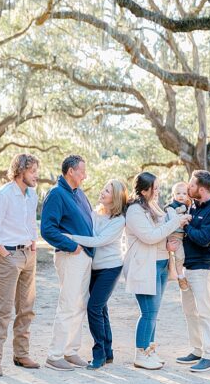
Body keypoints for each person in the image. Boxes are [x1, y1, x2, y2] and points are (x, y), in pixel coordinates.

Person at [124, 172, 191, 369]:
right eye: (156, 188)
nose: (159, 191)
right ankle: (141, 353)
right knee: (148, 313)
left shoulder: (151, 205)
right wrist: (176, 222)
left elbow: (162, 230)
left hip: (161, 264)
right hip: (145, 266)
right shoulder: (135, 211)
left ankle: (150, 350)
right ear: (145, 190)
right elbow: (150, 236)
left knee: (153, 313)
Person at [0, 153, 40, 377]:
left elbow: (30, 223)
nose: (37, 175)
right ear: (20, 171)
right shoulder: (3, 195)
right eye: (33, 171)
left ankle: (21, 354)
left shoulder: (31, 195)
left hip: (28, 255)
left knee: (27, 308)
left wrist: (33, 243)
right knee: (4, 309)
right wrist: (3, 252)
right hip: (9, 256)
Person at [66, 178, 128, 369]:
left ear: (115, 197)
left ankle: (99, 353)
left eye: (107, 191)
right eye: (103, 188)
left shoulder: (119, 220)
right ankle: (108, 352)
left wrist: (70, 238)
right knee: (101, 309)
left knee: (93, 307)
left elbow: (98, 241)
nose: (102, 192)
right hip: (94, 267)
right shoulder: (95, 213)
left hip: (111, 267)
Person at [40, 154, 94, 370]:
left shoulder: (79, 193)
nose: (85, 175)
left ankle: (71, 351)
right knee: (68, 303)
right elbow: (47, 229)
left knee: (80, 304)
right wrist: (73, 246)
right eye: (82, 170)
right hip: (70, 255)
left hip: (85, 256)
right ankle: (54, 355)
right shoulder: (56, 194)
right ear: (70, 171)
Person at [176, 170, 210, 373]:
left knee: (206, 312)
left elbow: (204, 238)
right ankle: (197, 349)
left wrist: (185, 226)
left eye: (191, 184)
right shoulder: (193, 205)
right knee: (190, 311)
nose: (188, 187)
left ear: (202, 189)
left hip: (203, 268)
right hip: (187, 267)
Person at [164, 181, 192, 289]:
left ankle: (181, 273)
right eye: (178, 193)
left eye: (184, 194)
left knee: (183, 256)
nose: (181, 196)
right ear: (173, 195)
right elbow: (174, 221)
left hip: (183, 236)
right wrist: (185, 217)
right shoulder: (171, 207)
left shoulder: (187, 206)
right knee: (179, 256)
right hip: (175, 236)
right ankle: (180, 276)